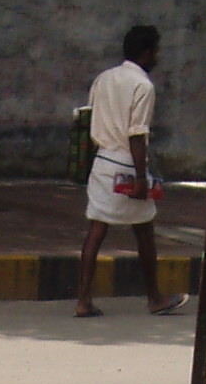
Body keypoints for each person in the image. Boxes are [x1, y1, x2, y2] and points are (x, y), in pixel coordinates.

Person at [75, 25, 187, 319]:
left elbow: (89, 118)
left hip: (102, 161)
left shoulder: (103, 78)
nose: (157, 57)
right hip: (127, 164)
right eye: (156, 52)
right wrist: (140, 177)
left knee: (96, 229)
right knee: (145, 231)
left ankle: (83, 300)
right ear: (147, 53)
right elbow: (137, 135)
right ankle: (155, 298)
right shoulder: (143, 86)